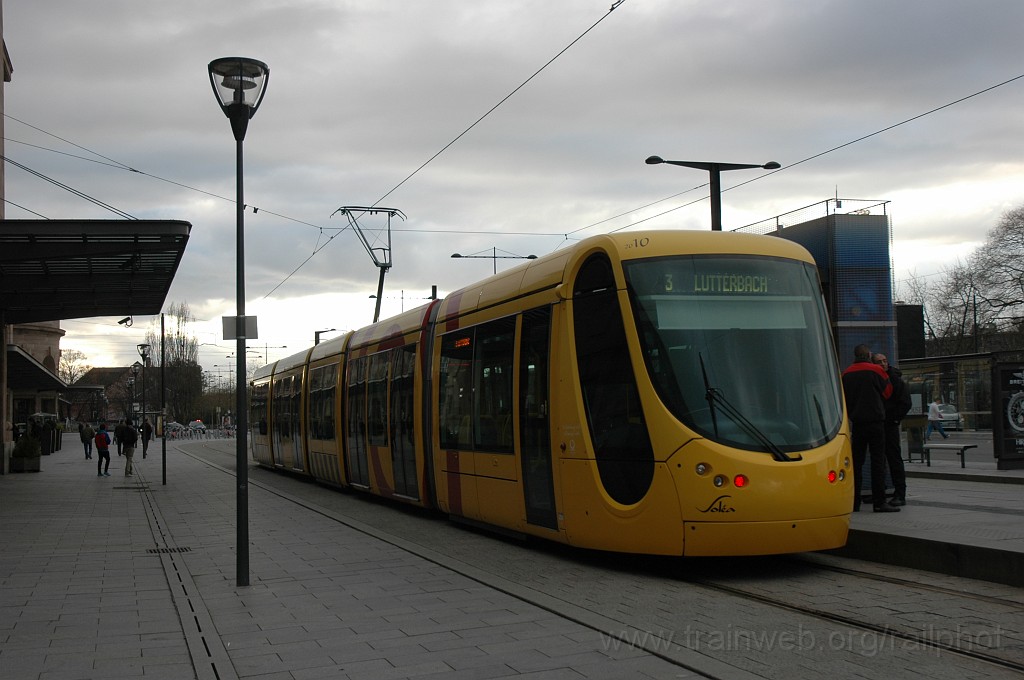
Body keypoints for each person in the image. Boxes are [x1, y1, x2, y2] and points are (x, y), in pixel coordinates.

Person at [841, 344, 899, 513]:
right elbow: (888, 392)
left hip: (858, 423)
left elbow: (844, 397)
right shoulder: (876, 371)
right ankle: (879, 502)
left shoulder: (846, 373)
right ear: (868, 355)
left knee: (857, 463)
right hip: (875, 422)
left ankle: (855, 502)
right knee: (877, 461)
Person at [873, 353, 912, 506]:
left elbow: (905, 402)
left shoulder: (895, 380)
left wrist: (894, 419)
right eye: (879, 362)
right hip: (882, 423)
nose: (882, 364)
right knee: (881, 460)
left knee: (893, 458)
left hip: (888, 424)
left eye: (884, 361)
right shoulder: (880, 378)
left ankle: (900, 494)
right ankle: (882, 492)